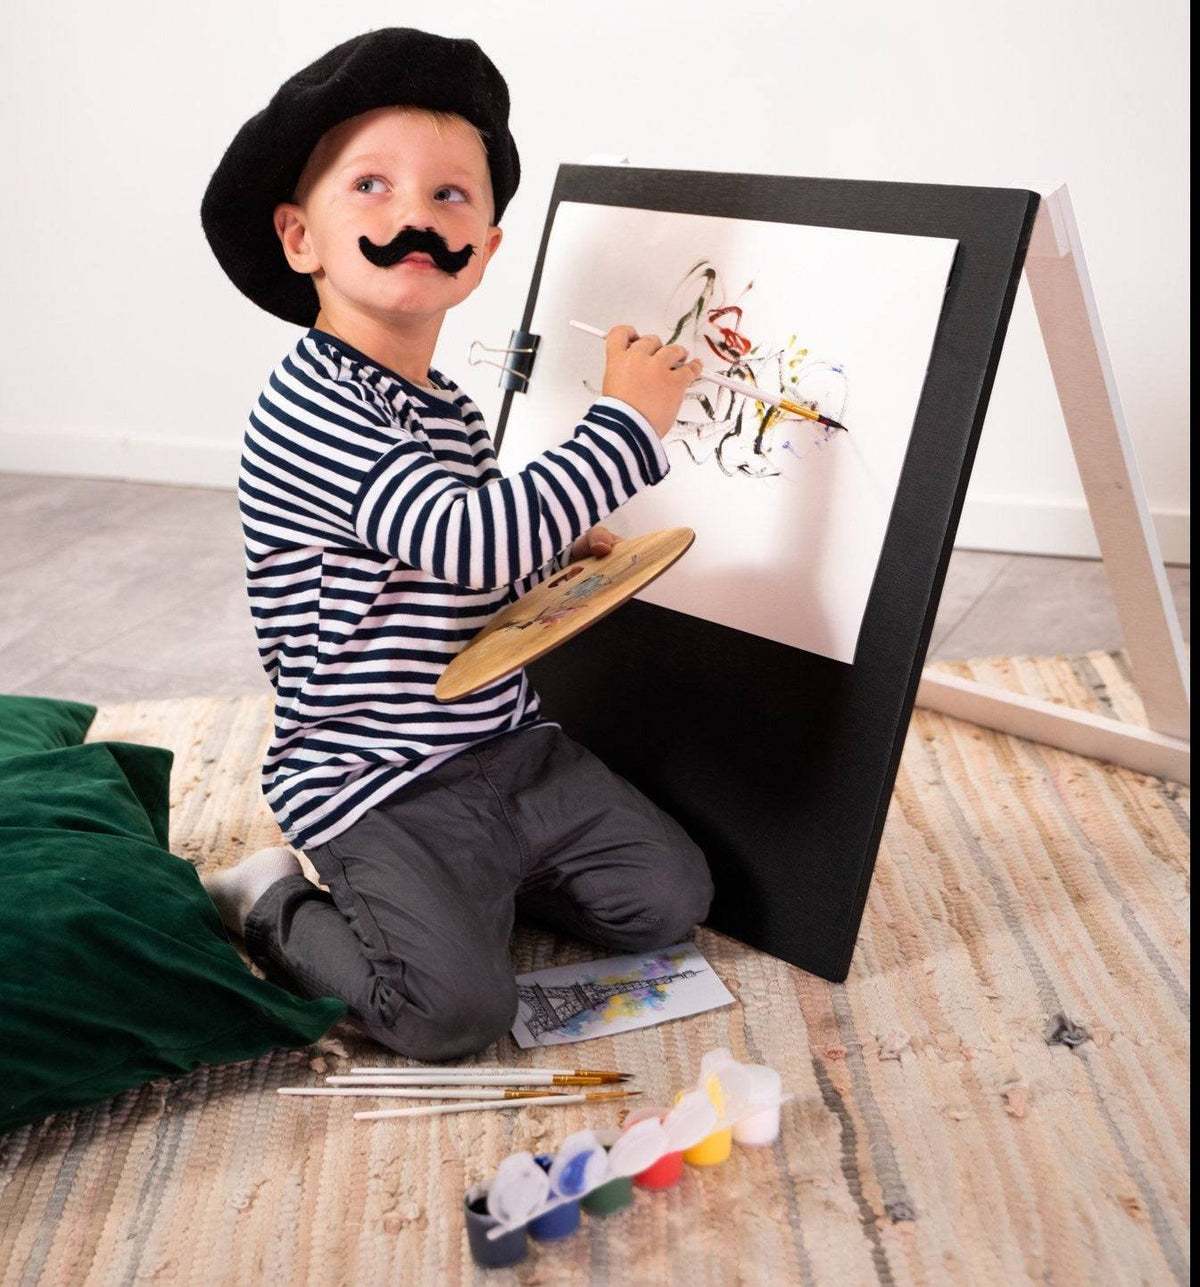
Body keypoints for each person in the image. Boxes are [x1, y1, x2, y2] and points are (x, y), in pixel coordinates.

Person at [198, 28, 714, 1059]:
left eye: (450, 198)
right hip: (370, 777)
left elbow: (467, 571)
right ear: (301, 239)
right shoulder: (311, 405)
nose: (413, 220)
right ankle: (272, 906)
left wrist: (553, 557)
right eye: (373, 187)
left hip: (503, 744)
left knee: (668, 902)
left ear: (484, 250)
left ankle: (478, 892)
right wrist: (626, 424)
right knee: (451, 1015)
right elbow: (468, 542)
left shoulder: (446, 404)